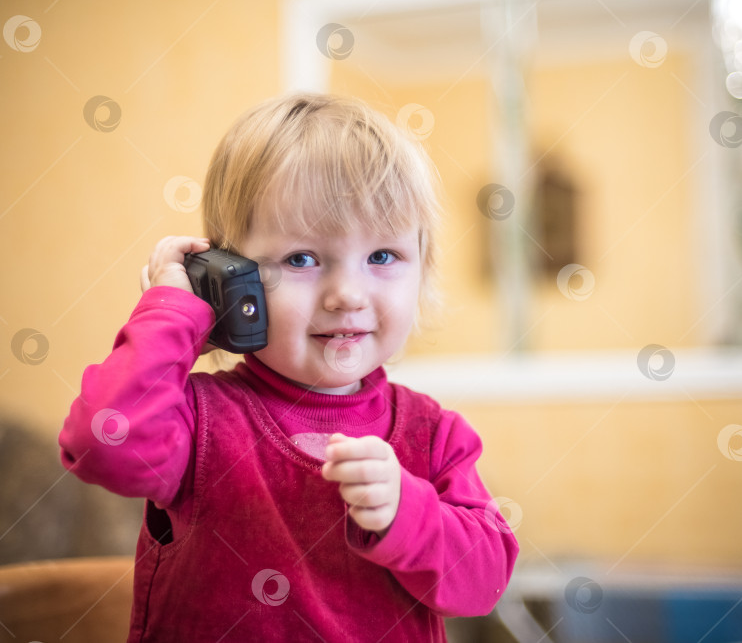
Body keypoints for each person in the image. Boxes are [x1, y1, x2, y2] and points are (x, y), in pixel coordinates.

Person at [59, 93, 519, 642]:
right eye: (302, 259)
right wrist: (173, 313)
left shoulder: (436, 436)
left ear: (422, 270)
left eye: (382, 257)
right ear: (231, 280)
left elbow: (484, 582)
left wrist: (407, 510)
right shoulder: (197, 419)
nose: (347, 294)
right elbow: (101, 444)